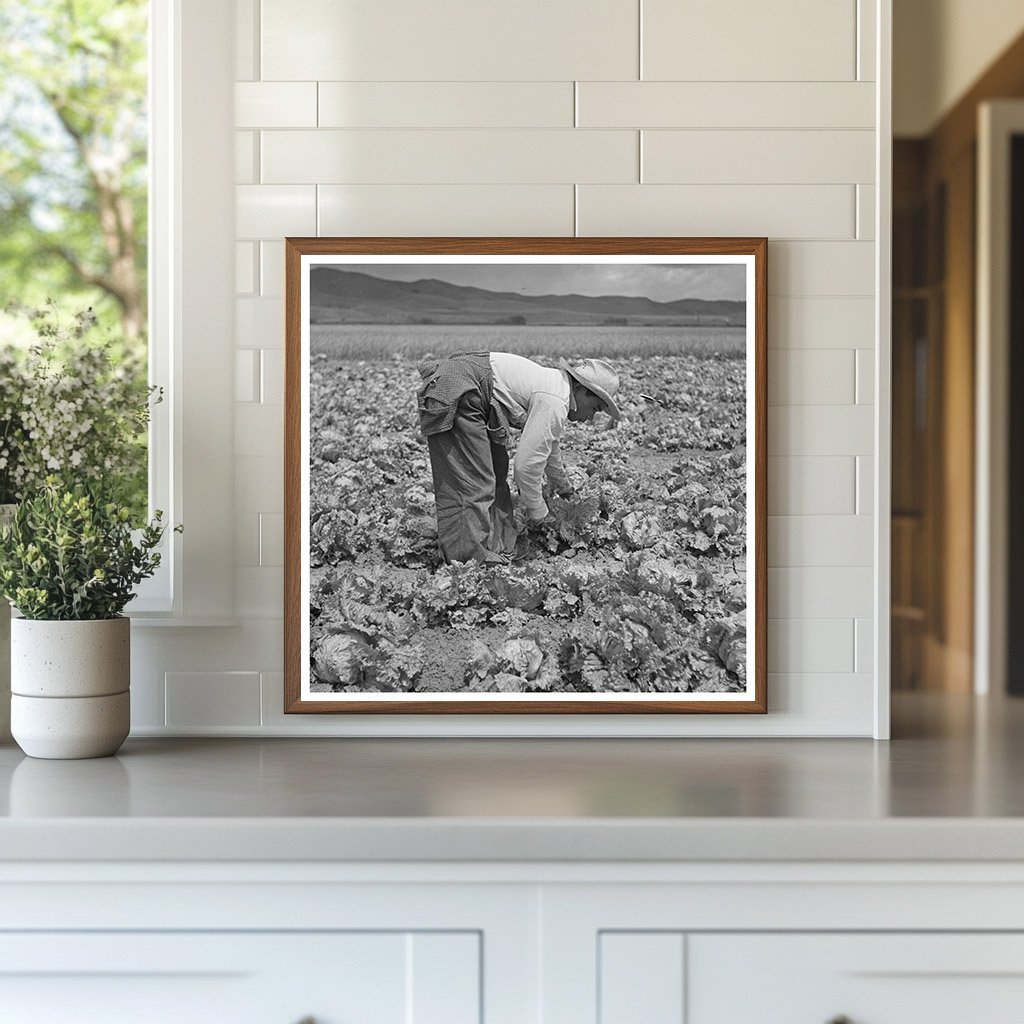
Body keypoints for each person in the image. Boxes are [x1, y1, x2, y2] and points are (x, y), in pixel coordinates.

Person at [416, 351, 621, 564]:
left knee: (496, 472)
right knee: (472, 484)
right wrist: (539, 512)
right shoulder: (555, 400)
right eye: (595, 408)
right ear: (581, 390)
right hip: (460, 389)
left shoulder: (557, 389)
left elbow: (550, 449)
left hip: (476, 394)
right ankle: (466, 561)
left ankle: (499, 547)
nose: (590, 418)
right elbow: (526, 467)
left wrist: (564, 487)